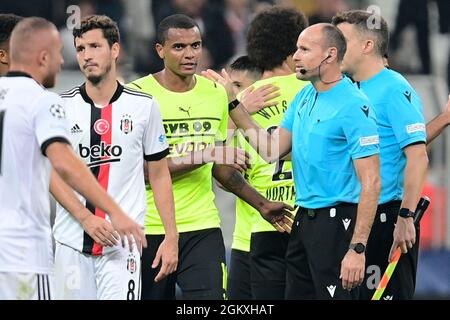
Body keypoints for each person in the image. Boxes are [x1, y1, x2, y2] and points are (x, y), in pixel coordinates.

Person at [204, 23, 381, 299]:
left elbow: (371, 180)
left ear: (330, 55)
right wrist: (232, 103)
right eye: (296, 48)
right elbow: (271, 149)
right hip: (302, 220)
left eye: (304, 49)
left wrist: (357, 248)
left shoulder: (353, 104)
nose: (295, 56)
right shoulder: (304, 96)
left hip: (337, 223)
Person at [128, 14, 292, 300]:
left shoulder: (217, 94)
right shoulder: (137, 96)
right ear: (160, 50)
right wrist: (206, 153)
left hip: (202, 226)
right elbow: (140, 170)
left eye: (196, 45)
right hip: (149, 227)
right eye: (179, 47)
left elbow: (221, 170)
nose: (190, 54)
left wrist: (261, 203)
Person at [0, 17, 146, 300]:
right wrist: (114, 211)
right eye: (58, 53)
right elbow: (64, 163)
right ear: (43, 57)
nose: (62, 61)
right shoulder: (41, 100)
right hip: (22, 251)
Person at [50, 15, 178, 300]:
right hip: (71, 243)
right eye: (80, 48)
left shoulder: (144, 106)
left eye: (95, 46)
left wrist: (171, 237)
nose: (86, 55)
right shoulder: (60, 106)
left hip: (123, 247)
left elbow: (158, 173)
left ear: (115, 50)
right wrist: (85, 218)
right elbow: (49, 173)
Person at [332, 10, 429, 300]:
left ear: (367, 45)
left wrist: (406, 216)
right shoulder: (345, 89)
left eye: (342, 40)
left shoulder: (394, 88)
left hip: (387, 216)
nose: (334, 49)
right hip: (350, 215)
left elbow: (418, 156)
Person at [227, 6, 309, 300]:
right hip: (308, 224)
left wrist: (230, 108)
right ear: (294, 47)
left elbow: (224, 169)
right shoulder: (316, 92)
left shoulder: (244, 101)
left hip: (254, 231)